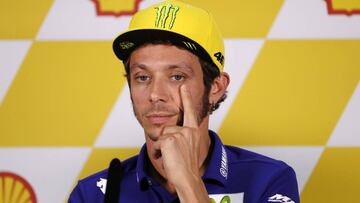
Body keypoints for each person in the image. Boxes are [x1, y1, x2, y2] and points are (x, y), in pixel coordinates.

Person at [68, 0, 300, 202]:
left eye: (176, 76)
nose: (155, 93)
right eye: (142, 77)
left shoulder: (269, 180)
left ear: (216, 87)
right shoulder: (94, 193)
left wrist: (188, 182)